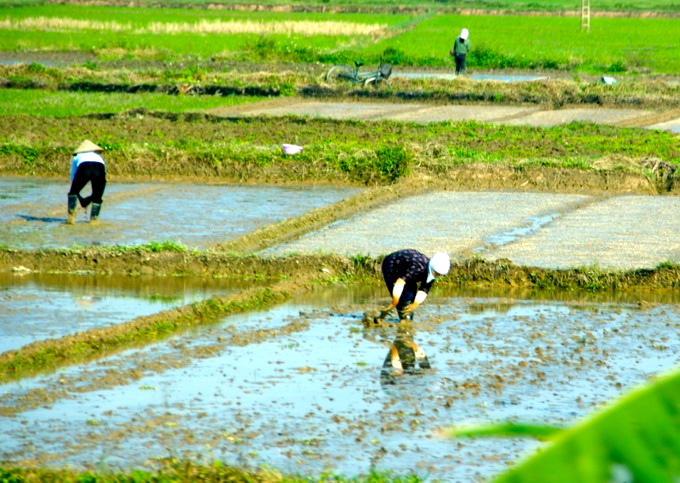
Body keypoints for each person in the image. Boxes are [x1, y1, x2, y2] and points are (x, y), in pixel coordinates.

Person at [379, 249, 450, 322]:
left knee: (409, 299)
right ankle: (379, 318)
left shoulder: (432, 273)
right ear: (432, 268)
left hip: (408, 269)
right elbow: (399, 283)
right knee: (401, 300)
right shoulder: (418, 268)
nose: (438, 276)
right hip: (392, 265)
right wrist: (394, 303)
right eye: (437, 273)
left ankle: (406, 321)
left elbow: (424, 289)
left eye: (440, 274)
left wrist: (415, 304)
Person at [67, 139, 106, 224]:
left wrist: (76, 192)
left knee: (72, 193)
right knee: (97, 198)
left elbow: (73, 176)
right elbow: (103, 173)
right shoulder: (99, 157)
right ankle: (94, 221)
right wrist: (91, 197)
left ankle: (71, 219)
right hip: (99, 170)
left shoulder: (77, 157)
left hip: (85, 168)